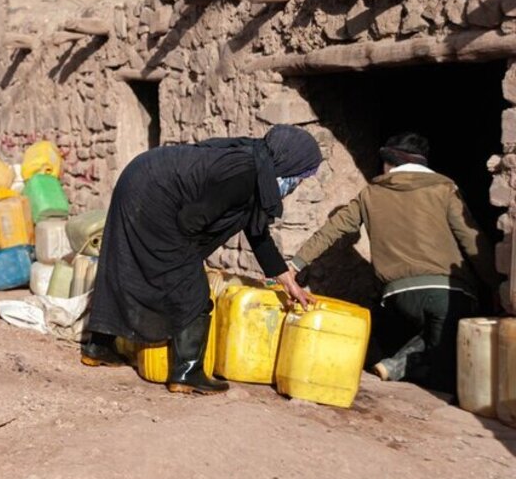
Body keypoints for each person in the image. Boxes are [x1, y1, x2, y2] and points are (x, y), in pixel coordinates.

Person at [84, 125, 323, 394]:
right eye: (300, 177)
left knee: (127, 265)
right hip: (153, 192)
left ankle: (99, 347)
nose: (298, 183)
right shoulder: (244, 172)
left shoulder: (256, 165)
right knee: (191, 289)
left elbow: (256, 231)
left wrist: (286, 279)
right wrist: (186, 264)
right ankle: (187, 373)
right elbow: (191, 221)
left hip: (141, 178)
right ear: (289, 162)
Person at [292, 133, 498, 395]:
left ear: (389, 163)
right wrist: (495, 284)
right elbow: (471, 239)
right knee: (452, 336)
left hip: (398, 296)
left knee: (440, 353)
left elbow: (332, 230)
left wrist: (296, 264)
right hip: (449, 293)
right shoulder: (445, 189)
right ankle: (400, 365)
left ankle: (405, 366)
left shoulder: (370, 194)